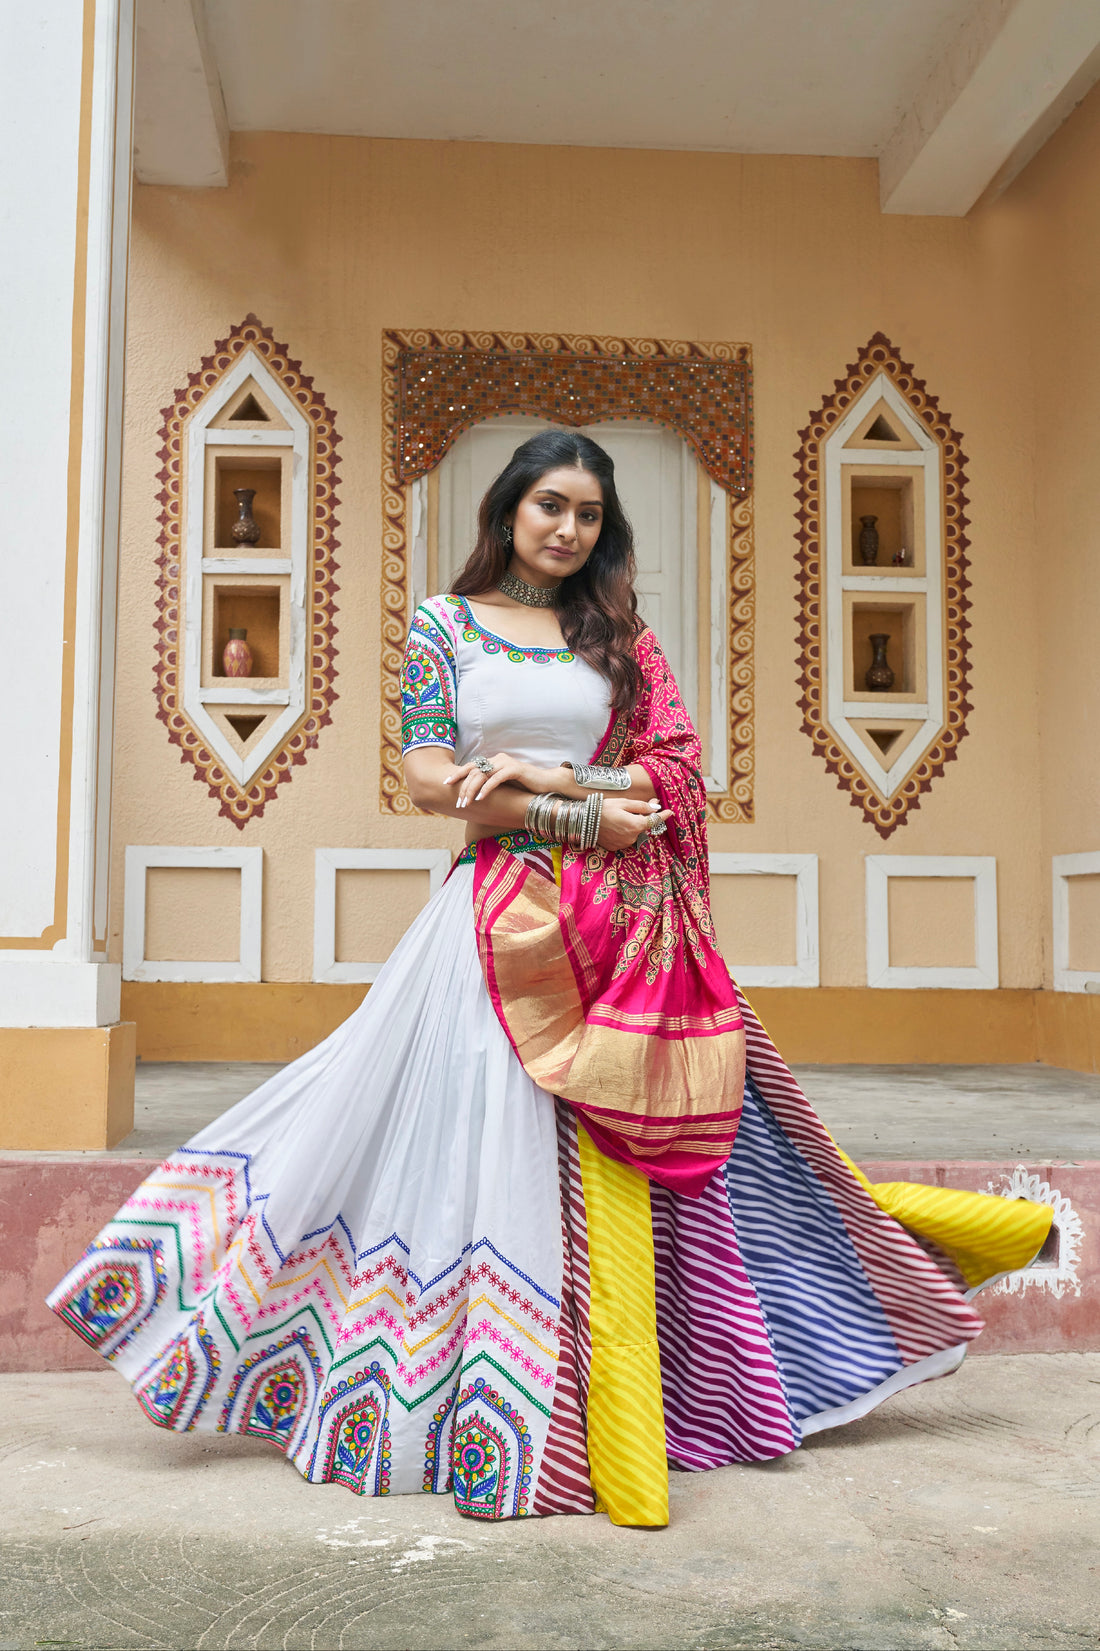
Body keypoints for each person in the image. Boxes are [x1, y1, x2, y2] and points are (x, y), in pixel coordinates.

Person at [48, 430, 1051, 1527]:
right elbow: (433, 781)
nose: (568, 529)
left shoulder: (616, 635)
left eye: (587, 514)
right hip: (497, 925)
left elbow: (675, 775)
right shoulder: (443, 625)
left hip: (628, 931)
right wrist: (570, 809)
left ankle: (701, 1375)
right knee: (440, 1139)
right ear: (508, 507)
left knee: (736, 1145)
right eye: (549, 506)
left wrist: (545, 767)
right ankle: (435, 1389)